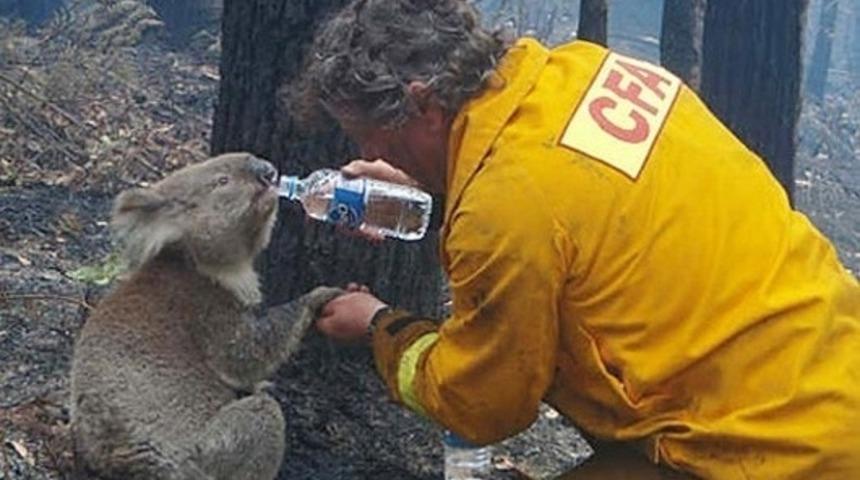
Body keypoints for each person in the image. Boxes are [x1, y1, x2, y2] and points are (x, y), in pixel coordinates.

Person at [288, 0, 860, 478]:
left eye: (370, 137)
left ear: (422, 104)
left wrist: (379, 327)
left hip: (770, 454)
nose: (369, 155)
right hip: (833, 375)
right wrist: (437, 189)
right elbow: (572, 207)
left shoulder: (503, 212)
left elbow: (480, 404)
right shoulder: (584, 70)